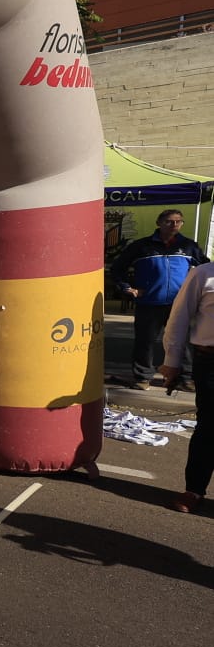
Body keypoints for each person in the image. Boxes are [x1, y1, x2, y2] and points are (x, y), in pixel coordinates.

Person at [111, 208, 209, 388]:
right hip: (149, 303)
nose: (174, 225)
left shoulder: (189, 246)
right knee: (145, 342)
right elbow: (117, 268)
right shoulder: (141, 246)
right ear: (159, 223)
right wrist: (128, 288)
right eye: (169, 221)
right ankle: (143, 378)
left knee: (182, 341)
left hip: (179, 304)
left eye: (178, 221)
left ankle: (185, 378)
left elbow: (206, 268)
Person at [162, 259, 214, 513]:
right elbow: (179, 317)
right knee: (209, 428)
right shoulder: (203, 274)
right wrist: (171, 361)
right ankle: (194, 489)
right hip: (211, 362)